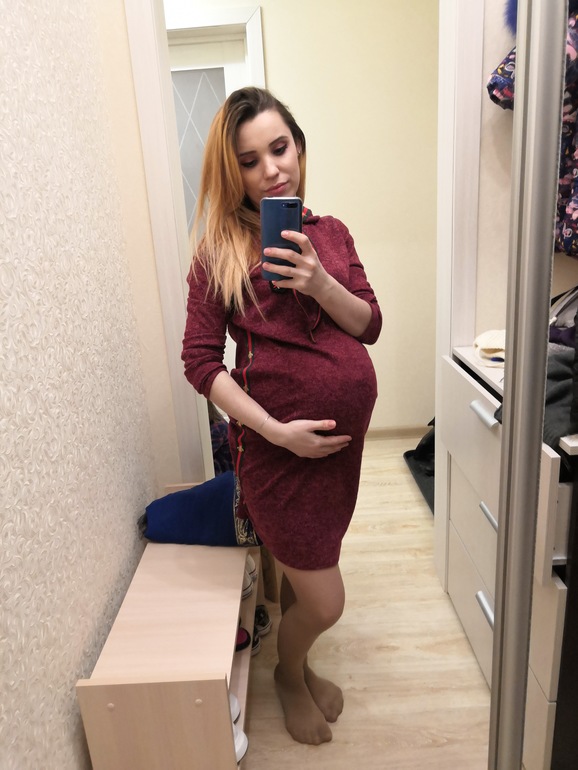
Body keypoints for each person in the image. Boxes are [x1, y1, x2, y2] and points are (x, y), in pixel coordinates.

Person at [181, 86, 382, 745]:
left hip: (338, 455)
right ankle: (287, 675)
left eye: (280, 148)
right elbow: (200, 363)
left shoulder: (332, 234)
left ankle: (302, 664)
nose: (272, 169)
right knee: (327, 600)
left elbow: (369, 324)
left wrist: (320, 282)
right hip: (275, 455)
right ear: (231, 172)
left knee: (307, 567)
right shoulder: (216, 253)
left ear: (298, 147)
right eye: (250, 160)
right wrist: (274, 431)